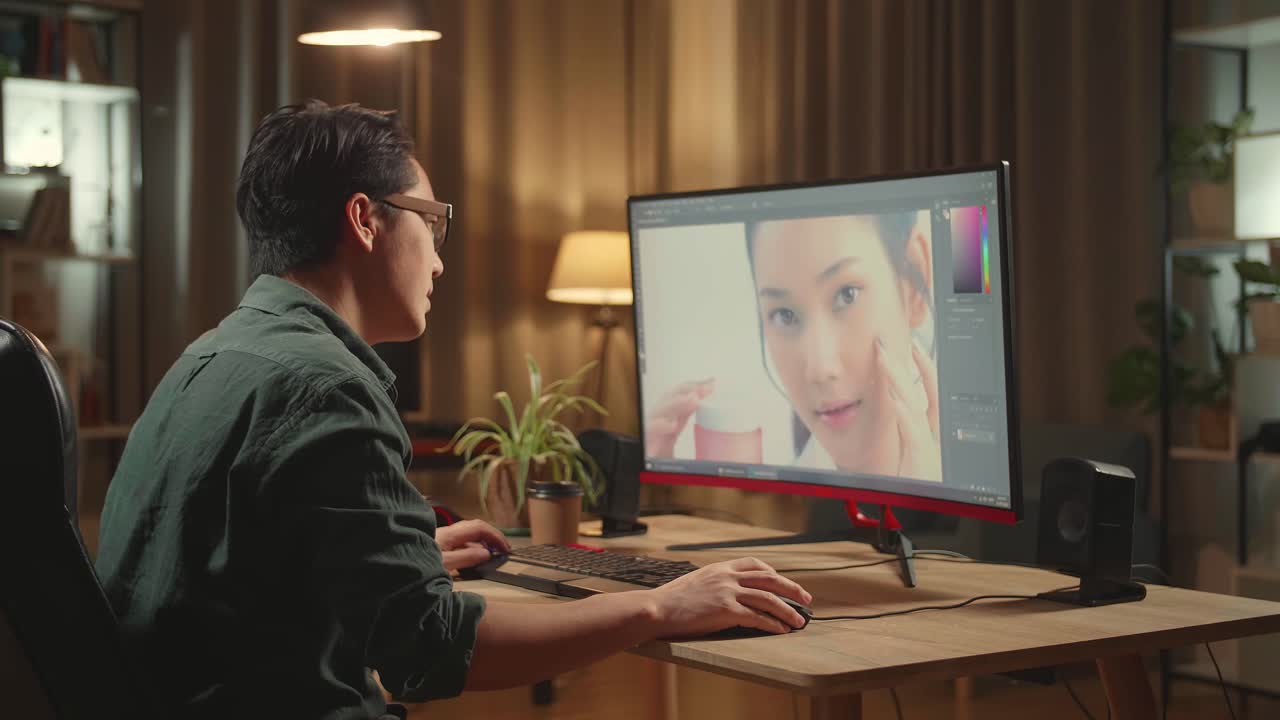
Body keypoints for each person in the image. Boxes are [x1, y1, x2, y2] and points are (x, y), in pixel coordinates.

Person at [95, 101, 811, 720]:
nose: (439, 261)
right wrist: (663, 606)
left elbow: (229, 568)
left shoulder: (216, 355)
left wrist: (392, 560)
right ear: (365, 220)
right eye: (432, 223)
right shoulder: (326, 388)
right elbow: (431, 650)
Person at [646, 212, 941, 483]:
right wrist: (666, 492)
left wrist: (932, 508)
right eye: (784, 315)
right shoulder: (777, 505)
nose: (819, 368)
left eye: (846, 295)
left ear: (913, 283)